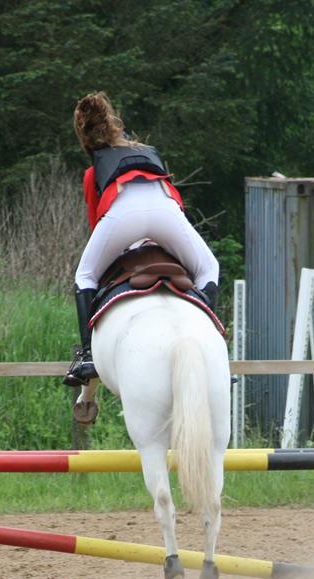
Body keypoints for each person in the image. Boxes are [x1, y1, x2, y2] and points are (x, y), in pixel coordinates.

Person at [63, 91, 220, 387]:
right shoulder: (149, 153)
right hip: (166, 211)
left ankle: (88, 356)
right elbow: (176, 200)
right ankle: (214, 342)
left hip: (123, 214)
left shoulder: (93, 170)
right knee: (209, 268)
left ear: (85, 138)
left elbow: (96, 222)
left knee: (84, 275)